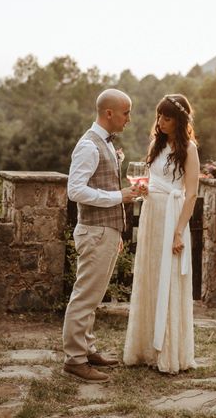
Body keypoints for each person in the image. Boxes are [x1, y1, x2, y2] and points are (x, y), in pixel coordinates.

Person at [63, 88, 138, 383]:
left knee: (92, 297)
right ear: (109, 113)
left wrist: (116, 228)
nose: (128, 119)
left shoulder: (105, 144)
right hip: (94, 231)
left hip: (105, 231)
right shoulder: (89, 145)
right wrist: (119, 196)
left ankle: (87, 348)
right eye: (126, 112)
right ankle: (74, 360)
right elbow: (75, 190)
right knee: (84, 297)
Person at [123, 93, 199, 374]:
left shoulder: (189, 149)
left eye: (166, 117)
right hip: (152, 215)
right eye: (159, 116)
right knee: (150, 276)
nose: (160, 121)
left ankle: (169, 351)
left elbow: (191, 194)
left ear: (179, 120)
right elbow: (151, 180)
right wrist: (143, 191)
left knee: (168, 279)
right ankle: (144, 348)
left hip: (172, 218)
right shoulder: (156, 144)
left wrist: (179, 232)